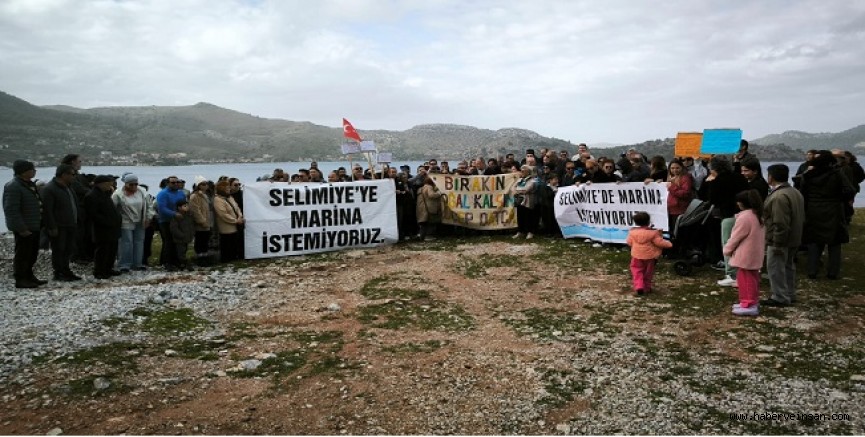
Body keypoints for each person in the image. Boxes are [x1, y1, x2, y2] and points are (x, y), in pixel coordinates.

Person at [801, 150, 856, 280]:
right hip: (834, 209)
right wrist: (839, 198)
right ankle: (832, 272)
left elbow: (802, 193)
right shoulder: (837, 174)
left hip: (814, 209)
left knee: (814, 241)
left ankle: (812, 271)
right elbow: (850, 190)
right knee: (835, 242)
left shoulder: (808, 175)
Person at [761, 164, 805, 307]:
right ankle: (789, 293)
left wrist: (777, 242)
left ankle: (779, 296)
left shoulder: (779, 196)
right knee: (788, 266)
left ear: (771, 177)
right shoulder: (795, 192)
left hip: (780, 239)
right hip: (794, 237)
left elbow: (780, 222)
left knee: (775, 268)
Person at [705, 156, 750, 286]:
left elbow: (713, 200)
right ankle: (743, 271)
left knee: (728, 244)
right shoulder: (739, 177)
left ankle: (731, 274)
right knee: (742, 244)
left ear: (714, 168)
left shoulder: (718, 181)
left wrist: (710, 183)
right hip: (744, 214)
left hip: (728, 215)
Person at [723, 189, 766, 316]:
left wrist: (727, 249)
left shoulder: (745, 217)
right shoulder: (758, 215)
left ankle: (748, 303)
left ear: (742, 203)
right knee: (753, 278)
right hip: (754, 252)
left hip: (745, 254)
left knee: (745, 280)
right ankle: (751, 301)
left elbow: (736, 236)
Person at [3, 160, 45, 288]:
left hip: (34, 225)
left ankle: (29, 275)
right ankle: (20, 279)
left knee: (32, 254)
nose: (34, 171)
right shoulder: (13, 186)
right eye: (32, 169)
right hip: (25, 227)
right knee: (22, 254)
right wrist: (21, 228)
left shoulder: (28, 184)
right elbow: (11, 210)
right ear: (24, 171)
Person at [42, 164, 82, 281]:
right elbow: (47, 210)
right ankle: (58, 272)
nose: (74, 177)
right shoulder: (50, 189)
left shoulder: (68, 187)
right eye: (72, 174)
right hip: (59, 226)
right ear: (64, 174)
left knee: (68, 249)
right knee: (59, 250)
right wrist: (52, 226)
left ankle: (66, 270)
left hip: (71, 224)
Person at [626, 211, 672, 296]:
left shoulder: (632, 233)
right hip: (650, 256)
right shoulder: (653, 233)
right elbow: (660, 242)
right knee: (648, 272)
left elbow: (629, 242)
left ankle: (639, 286)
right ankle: (647, 288)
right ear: (648, 221)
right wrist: (670, 244)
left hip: (636, 256)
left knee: (636, 271)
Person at [112, 173, 152, 272]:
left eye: (135, 184)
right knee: (126, 242)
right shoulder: (118, 194)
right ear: (125, 184)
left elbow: (149, 206)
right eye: (131, 184)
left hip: (140, 219)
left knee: (139, 241)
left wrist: (148, 218)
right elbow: (112, 207)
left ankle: (137, 263)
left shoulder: (142, 192)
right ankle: (124, 264)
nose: (134, 186)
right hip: (125, 220)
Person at [85, 175, 122, 279]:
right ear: (101, 184)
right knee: (102, 250)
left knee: (111, 250)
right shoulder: (91, 195)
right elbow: (93, 214)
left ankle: (108, 268)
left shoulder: (105, 194)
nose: (111, 185)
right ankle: (99, 271)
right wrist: (107, 221)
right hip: (102, 228)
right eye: (109, 183)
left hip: (112, 227)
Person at [156, 175, 187, 271]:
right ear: (168, 183)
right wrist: (174, 214)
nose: (176, 184)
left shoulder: (181, 193)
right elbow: (162, 208)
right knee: (168, 241)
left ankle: (176, 260)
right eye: (173, 182)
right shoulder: (163, 194)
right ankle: (166, 262)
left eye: (178, 182)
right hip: (166, 221)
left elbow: (184, 204)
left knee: (177, 241)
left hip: (178, 221)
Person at [213, 179, 245, 262]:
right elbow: (223, 214)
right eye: (226, 188)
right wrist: (235, 220)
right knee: (226, 242)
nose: (229, 189)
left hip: (236, 222)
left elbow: (237, 207)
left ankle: (234, 256)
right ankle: (226, 258)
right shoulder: (217, 200)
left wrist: (240, 216)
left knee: (234, 241)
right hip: (226, 226)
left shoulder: (230, 197)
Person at [188, 177, 214, 265]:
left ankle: (205, 257)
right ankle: (199, 258)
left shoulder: (204, 195)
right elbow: (196, 211)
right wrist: (202, 221)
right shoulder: (194, 196)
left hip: (207, 221)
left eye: (206, 184)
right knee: (200, 240)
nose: (205, 186)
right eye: (203, 184)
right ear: (198, 186)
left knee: (205, 240)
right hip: (201, 223)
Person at [666, 158, 694, 231]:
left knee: (677, 232)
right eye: (672, 168)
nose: (675, 170)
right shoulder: (669, 178)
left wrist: (672, 187)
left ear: (682, 167)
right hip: (670, 210)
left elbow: (685, 194)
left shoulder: (685, 178)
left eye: (677, 168)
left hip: (679, 210)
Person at [512, 165, 539, 239]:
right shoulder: (520, 180)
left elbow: (527, 189)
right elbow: (513, 188)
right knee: (520, 217)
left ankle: (530, 232)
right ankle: (520, 231)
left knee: (529, 217)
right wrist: (517, 191)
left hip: (528, 201)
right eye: (521, 170)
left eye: (524, 170)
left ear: (528, 172)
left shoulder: (533, 180)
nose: (522, 172)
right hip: (519, 201)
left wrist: (517, 191)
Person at [415, 176, 443, 241]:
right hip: (429, 207)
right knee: (430, 222)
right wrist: (439, 193)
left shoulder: (421, 188)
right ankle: (428, 236)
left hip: (422, 208)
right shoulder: (429, 187)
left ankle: (422, 236)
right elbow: (431, 195)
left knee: (423, 223)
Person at [170, 199, 195, 270]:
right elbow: (174, 228)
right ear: (179, 207)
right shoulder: (176, 216)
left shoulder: (189, 215)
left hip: (187, 238)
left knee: (184, 251)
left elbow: (192, 225)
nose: (187, 207)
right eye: (185, 206)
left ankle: (182, 264)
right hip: (180, 239)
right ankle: (186, 264)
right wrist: (181, 235)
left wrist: (192, 233)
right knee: (180, 253)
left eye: (187, 205)